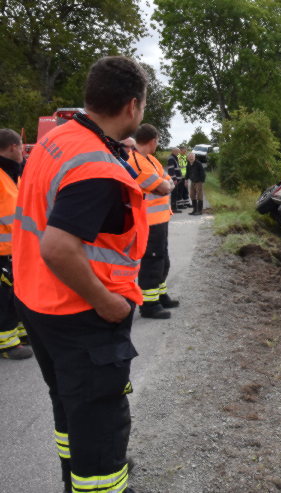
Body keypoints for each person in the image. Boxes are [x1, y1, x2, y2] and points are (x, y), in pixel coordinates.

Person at [13, 56, 148, 493]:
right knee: (99, 417)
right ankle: (100, 483)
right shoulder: (95, 167)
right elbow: (58, 247)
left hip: (38, 301)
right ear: (132, 106)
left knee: (70, 406)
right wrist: (108, 303)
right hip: (81, 312)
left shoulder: (62, 138)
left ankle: (75, 479)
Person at [127, 124, 179, 319]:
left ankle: (160, 294)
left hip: (160, 219)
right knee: (152, 261)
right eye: (157, 140)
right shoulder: (137, 162)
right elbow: (164, 186)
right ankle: (149, 305)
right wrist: (166, 184)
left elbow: (168, 180)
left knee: (162, 260)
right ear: (152, 140)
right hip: (148, 222)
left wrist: (167, 184)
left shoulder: (150, 160)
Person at [0, 128, 32, 359]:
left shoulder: (13, 172)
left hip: (17, 248)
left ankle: (19, 332)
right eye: (21, 146)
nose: (23, 150)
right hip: (2, 250)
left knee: (16, 293)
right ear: (13, 147)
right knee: (3, 297)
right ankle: (7, 344)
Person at [166, 148, 182, 213]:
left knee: (175, 193)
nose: (179, 154)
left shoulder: (174, 158)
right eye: (178, 152)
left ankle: (174, 207)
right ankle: (174, 208)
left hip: (176, 179)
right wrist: (174, 179)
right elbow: (171, 170)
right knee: (174, 194)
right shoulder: (171, 159)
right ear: (174, 151)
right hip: (174, 180)